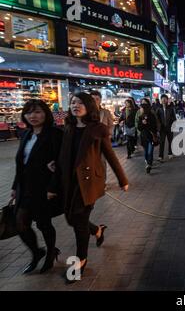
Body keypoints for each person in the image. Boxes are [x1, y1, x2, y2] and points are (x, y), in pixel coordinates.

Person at [48, 92, 128, 282]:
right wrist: (53, 181)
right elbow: (61, 156)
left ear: (89, 106)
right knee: (71, 218)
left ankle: (81, 260)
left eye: (81, 103)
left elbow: (110, 155)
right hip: (69, 183)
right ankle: (97, 230)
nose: (76, 105)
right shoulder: (68, 127)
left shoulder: (98, 129)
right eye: (73, 102)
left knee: (78, 222)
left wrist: (122, 179)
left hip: (89, 183)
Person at [11, 100, 63, 274]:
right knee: (20, 223)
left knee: (43, 223)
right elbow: (21, 163)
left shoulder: (55, 134)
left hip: (44, 188)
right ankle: (36, 252)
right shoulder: (26, 134)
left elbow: (61, 163)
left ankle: (50, 252)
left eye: (38, 112)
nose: (33, 116)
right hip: (24, 187)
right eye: (29, 112)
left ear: (46, 114)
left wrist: (53, 187)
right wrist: (13, 186)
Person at [137, 104, 159, 173]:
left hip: (151, 136)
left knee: (150, 151)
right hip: (144, 137)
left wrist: (147, 123)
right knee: (146, 151)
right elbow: (139, 128)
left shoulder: (152, 116)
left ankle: (149, 164)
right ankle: (148, 162)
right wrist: (142, 123)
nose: (140, 110)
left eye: (141, 108)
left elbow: (154, 127)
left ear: (145, 109)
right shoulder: (140, 117)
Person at [156, 94, 177, 162]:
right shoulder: (159, 109)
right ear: (161, 100)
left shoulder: (171, 109)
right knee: (162, 142)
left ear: (167, 100)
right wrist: (158, 126)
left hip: (169, 127)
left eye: (165, 99)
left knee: (170, 141)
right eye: (162, 99)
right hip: (162, 128)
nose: (164, 100)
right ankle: (160, 156)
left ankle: (170, 153)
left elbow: (174, 118)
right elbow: (157, 119)